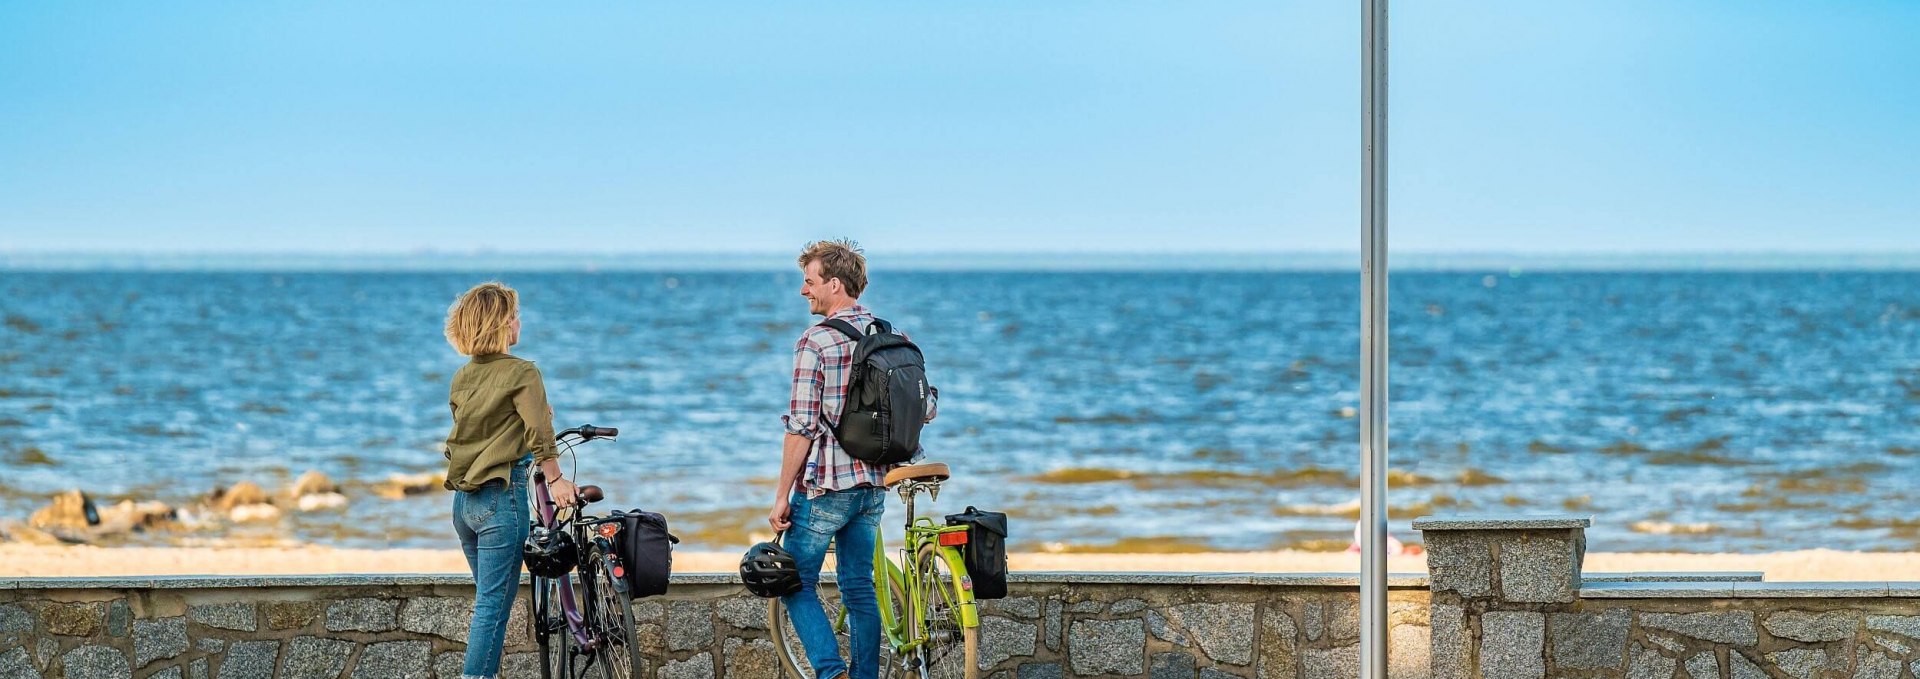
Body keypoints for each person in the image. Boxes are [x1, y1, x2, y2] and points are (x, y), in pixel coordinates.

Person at [767, 240, 936, 679]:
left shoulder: (815, 342)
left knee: (794, 582)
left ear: (834, 284)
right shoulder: (894, 336)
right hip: (876, 486)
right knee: (860, 588)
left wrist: (782, 495)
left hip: (826, 487)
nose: (804, 291)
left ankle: (830, 672)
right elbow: (926, 407)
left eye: (809, 281)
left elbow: (802, 426)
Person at [441, 281, 579, 679]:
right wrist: (556, 480)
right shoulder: (523, 372)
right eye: (514, 315)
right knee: (491, 610)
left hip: (464, 507)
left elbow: (479, 433)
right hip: (502, 500)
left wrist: (533, 419)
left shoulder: (462, 377)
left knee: (490, 605)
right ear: (501, 324)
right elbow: (539, 435)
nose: (519, 322)